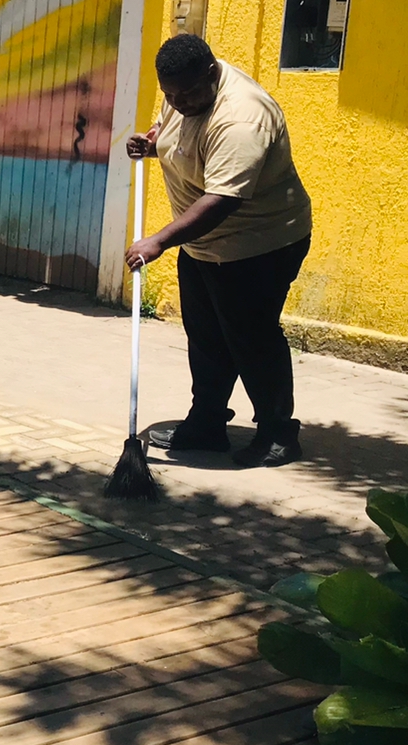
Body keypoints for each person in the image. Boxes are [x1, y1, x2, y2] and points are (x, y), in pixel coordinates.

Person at [125, 34, 313, 468]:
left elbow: (223, 200)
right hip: (204, 244)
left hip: (259, 245)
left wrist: (157, 241)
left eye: (187, 93)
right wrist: (152, 144)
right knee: (207, 337)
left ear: (211, 74)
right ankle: (207, 425)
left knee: (251, 338)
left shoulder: (242, 117)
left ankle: (278, 433)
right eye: (171, 94)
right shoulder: (184, 88)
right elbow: (180, 134)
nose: (179, 102)